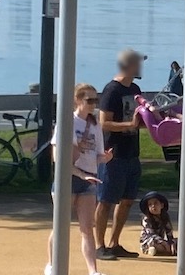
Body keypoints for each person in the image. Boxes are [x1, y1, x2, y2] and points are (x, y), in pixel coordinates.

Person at [49, 83, 113, 275]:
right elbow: (57, 157)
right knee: (60, 226)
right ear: (78, 100)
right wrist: (80, 173)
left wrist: (105, 158)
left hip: (89, 179)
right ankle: (53, 266)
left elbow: (97, 155)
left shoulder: (95, 124)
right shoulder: (67, 121)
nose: (93, 104)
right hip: (67, 178)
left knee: (87, 228)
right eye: (89, 100)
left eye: (96, 100)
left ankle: (93, 271)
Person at [96, 48, 147, 260]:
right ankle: (99, 246)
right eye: (138, 63)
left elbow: (138, 119)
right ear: (128, 66)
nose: (140, 67)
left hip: (132, 153)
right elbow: (103, 123)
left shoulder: (135, 88)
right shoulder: (111, 91)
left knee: (127, 200)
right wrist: (129, 124)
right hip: (113, 154)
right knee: (106, 200)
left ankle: (114, 242)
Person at [139, 192, 177, 257]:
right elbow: (151, 234)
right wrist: (165, 244)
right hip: (150, 240)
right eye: (150, 204)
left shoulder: (165, 217)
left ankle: (163, 250)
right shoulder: (146, 219)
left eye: (155, 203)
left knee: (178, 241)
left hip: (161, 241)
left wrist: (171, 243)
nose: (153, 206)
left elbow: (169, 232)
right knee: (154, 243)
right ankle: (151, 249)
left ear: (162, 205)